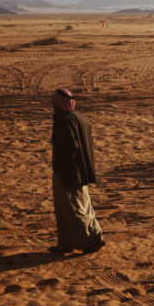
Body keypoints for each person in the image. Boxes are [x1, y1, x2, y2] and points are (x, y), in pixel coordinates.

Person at [49, 88, 105, 254]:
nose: (52, 105)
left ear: (59, 103)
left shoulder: (64, 120)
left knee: (74, 207)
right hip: (81, 169)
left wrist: (63, 168)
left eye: (53, 102)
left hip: (69, 172)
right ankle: (66, 243)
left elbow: (70, 147)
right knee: (76, 206)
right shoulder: (80, 118)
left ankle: (91, 240)